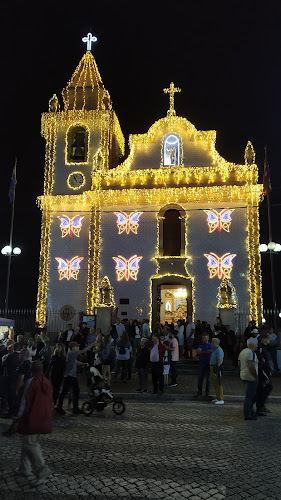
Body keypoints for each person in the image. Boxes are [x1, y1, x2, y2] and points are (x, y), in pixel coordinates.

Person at [15, 360, 53, 487]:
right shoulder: (47, 382)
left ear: (31, 370)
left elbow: (24, 402)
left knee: (30, 444)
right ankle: (24, 468)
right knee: (28, 442)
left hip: (31, 418)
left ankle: (41, 470)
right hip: (43, 418)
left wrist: (17, 418)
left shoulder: (31, 382)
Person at [55, 340, 95, 415]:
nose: (78, 348)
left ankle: (72, 408)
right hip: (70, 376)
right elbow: (83, 350)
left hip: (71, 376)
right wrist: (92, 344)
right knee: (68, 391)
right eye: (77, 346)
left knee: (73, 391)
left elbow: (75, 362)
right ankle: (63, 407)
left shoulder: (71, 354)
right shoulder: (72, 353)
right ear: (73, 348)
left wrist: (83, 364)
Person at [238, 337, 258, 420]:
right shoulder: (251, 353)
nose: (257, 346)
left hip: (243, 375)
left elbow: (239, 363)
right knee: (250, 396)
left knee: (249, 395)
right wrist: (255, 376)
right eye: (256, 344)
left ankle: (250, 411)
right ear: (253, 345)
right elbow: (251, 365)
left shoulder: (243, 352)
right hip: (250, 377)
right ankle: (248, 413)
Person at [255, 331, 273, 416]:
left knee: (265, 388)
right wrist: (265, 375)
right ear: (263, 339)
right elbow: (261, 362)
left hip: (266, 371)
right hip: (262, 372)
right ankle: (258, 407)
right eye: (267, 338)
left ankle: (261, 405)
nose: (269, 340)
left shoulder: (266, 347)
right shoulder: (260, 348)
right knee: (263, 389)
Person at [195, 334, 213, 398]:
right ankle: (199, 391)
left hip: (208, 363)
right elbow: (198, 351)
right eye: (203, 338)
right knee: (200, 377)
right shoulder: (200, 344)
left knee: (208, 378)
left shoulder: (210, 345)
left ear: (208, 338)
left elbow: (209, 352)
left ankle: (207, 392)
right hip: (202, 363)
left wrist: (202, 352)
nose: (204, 339)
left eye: (205, 338)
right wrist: (203, 352)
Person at [210, 338, 224, 405]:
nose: (211, 344)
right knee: (215, 383)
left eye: (212, 342)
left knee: (218, 383)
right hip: (213, 367)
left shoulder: (218, 350)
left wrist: (217, 369)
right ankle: (218, 397)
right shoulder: (215, 350)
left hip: (216, 367)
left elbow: (219, 360)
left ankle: (220, 398)